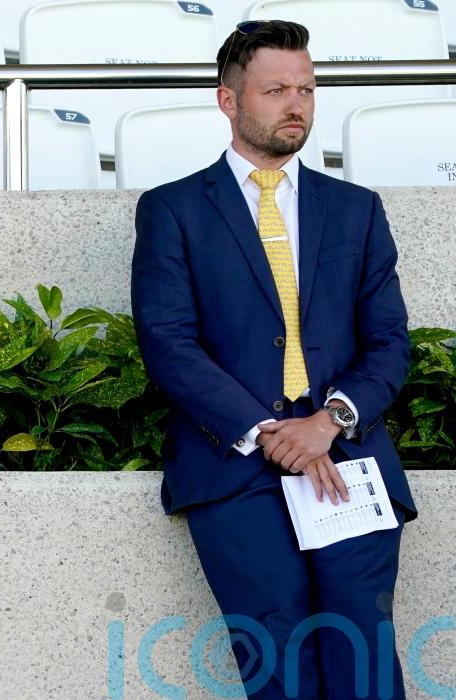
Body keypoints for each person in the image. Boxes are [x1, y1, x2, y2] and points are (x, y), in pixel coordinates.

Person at [131, 20, 416, 699]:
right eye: (276, 90)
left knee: (365, 658)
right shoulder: (173, 210)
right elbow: (168, 342)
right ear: (228, 100)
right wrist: (270, 433)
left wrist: (327, 422)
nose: (296, 105)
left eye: (307, 90)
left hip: (346, 460)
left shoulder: (356, 211)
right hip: (235, 466)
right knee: (278, 663)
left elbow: (389, 341)